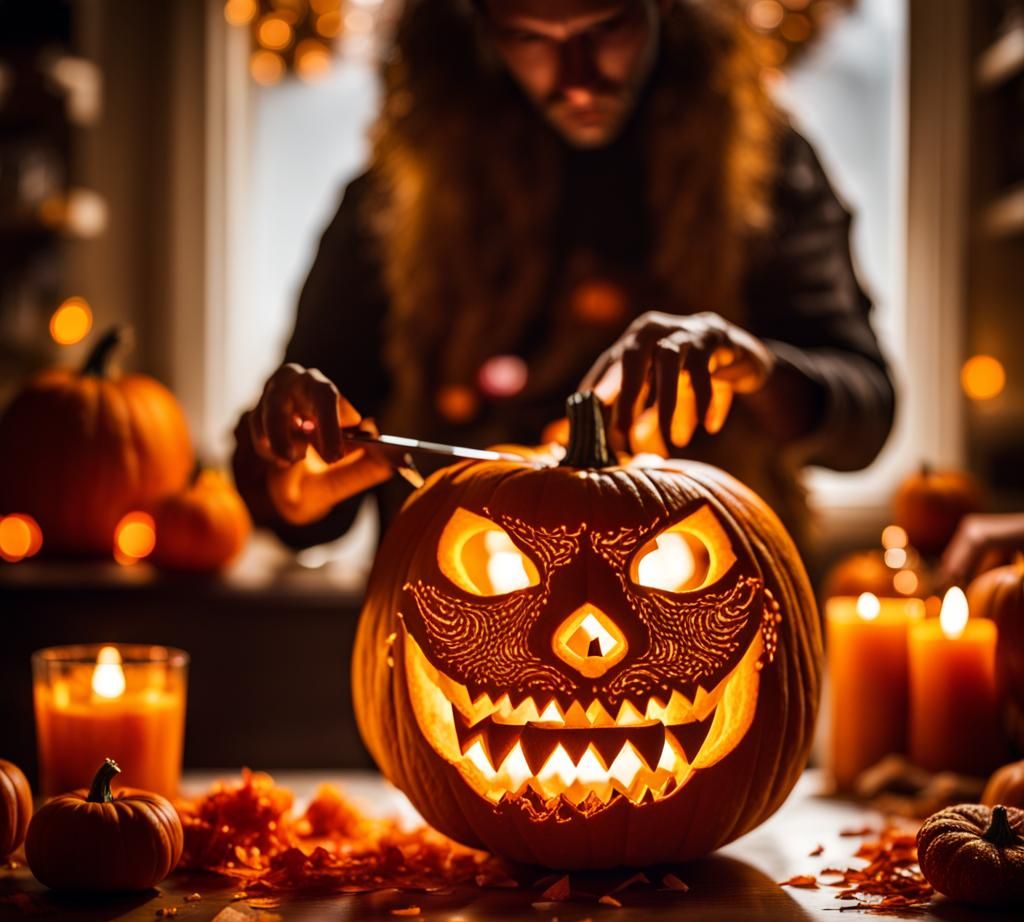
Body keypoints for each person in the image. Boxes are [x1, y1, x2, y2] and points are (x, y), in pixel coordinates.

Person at [234, 0, 896, 554]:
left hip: (698, 585)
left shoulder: (762, 170)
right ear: (479, 28)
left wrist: (750, 368)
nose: (576, 80)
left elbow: (865, 414)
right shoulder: (400, 196)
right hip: (461, 611)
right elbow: (303, 485)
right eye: (529, 39)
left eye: (606, 30)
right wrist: (294, 481)